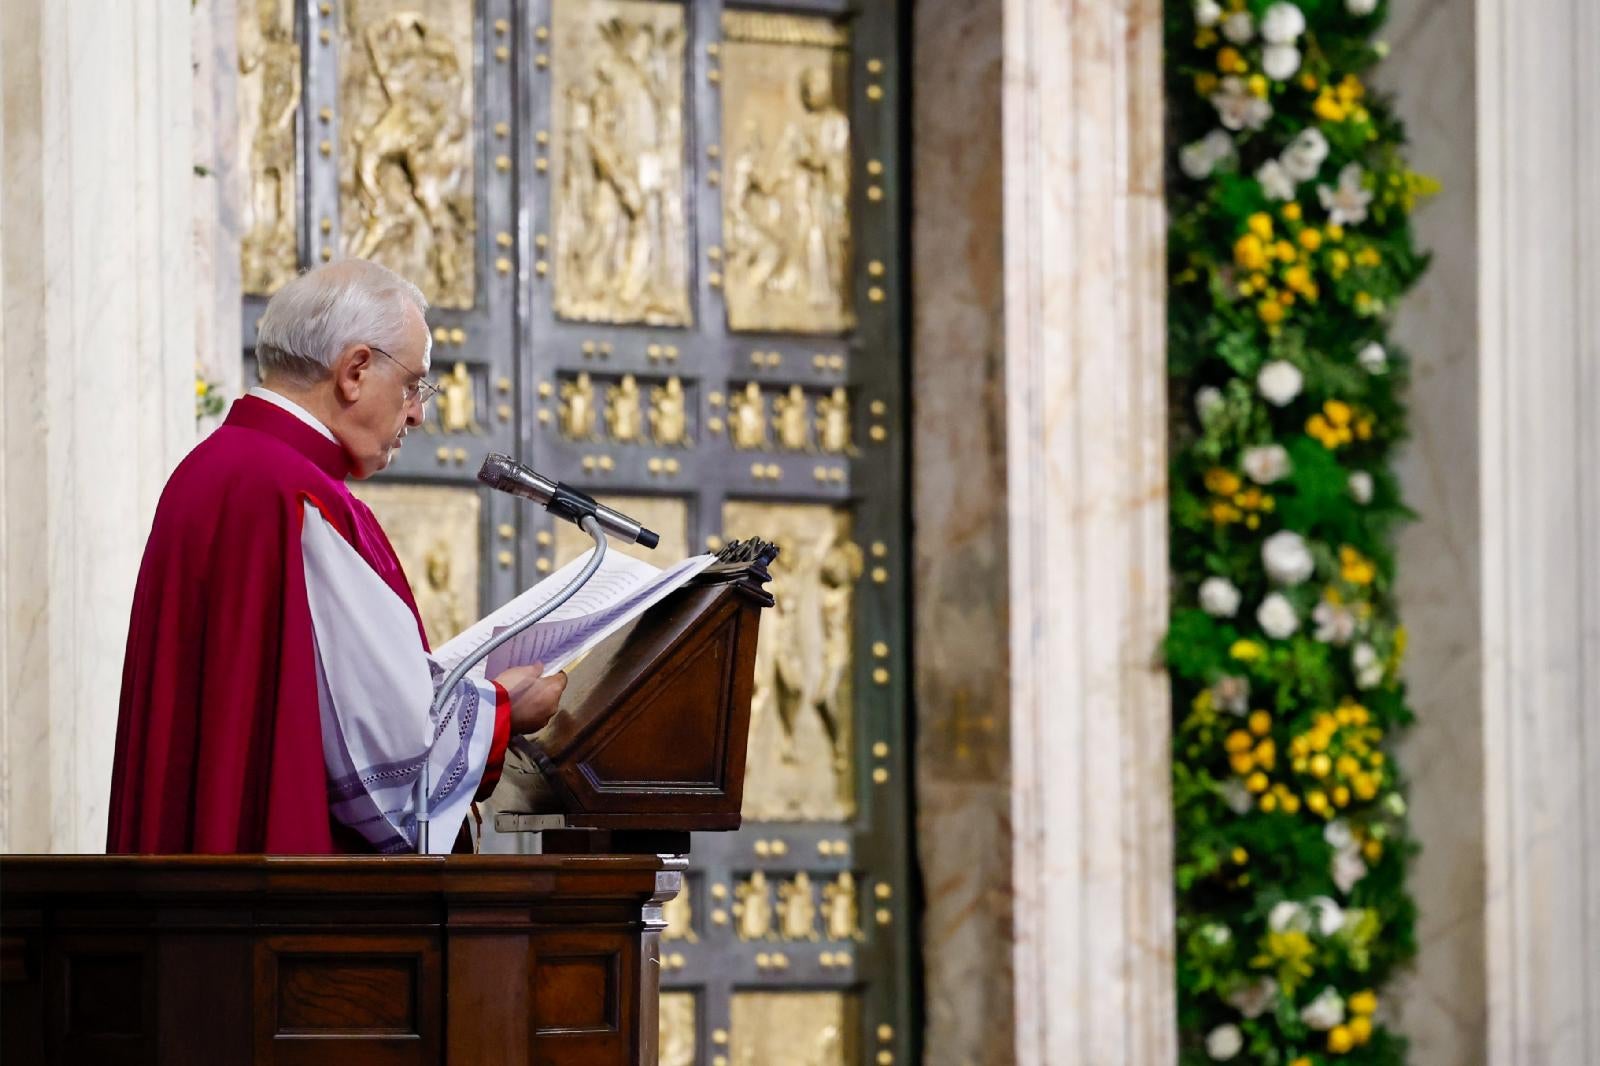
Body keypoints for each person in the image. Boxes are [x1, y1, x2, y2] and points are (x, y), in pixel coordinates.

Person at [106, 259, 564, 854]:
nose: (418, 414)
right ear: (354, 371)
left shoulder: (206, 472)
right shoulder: (305, 499)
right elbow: (389, 759)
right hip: (294, 908)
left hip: (191, 874)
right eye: (413, 385)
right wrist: (502, 709)